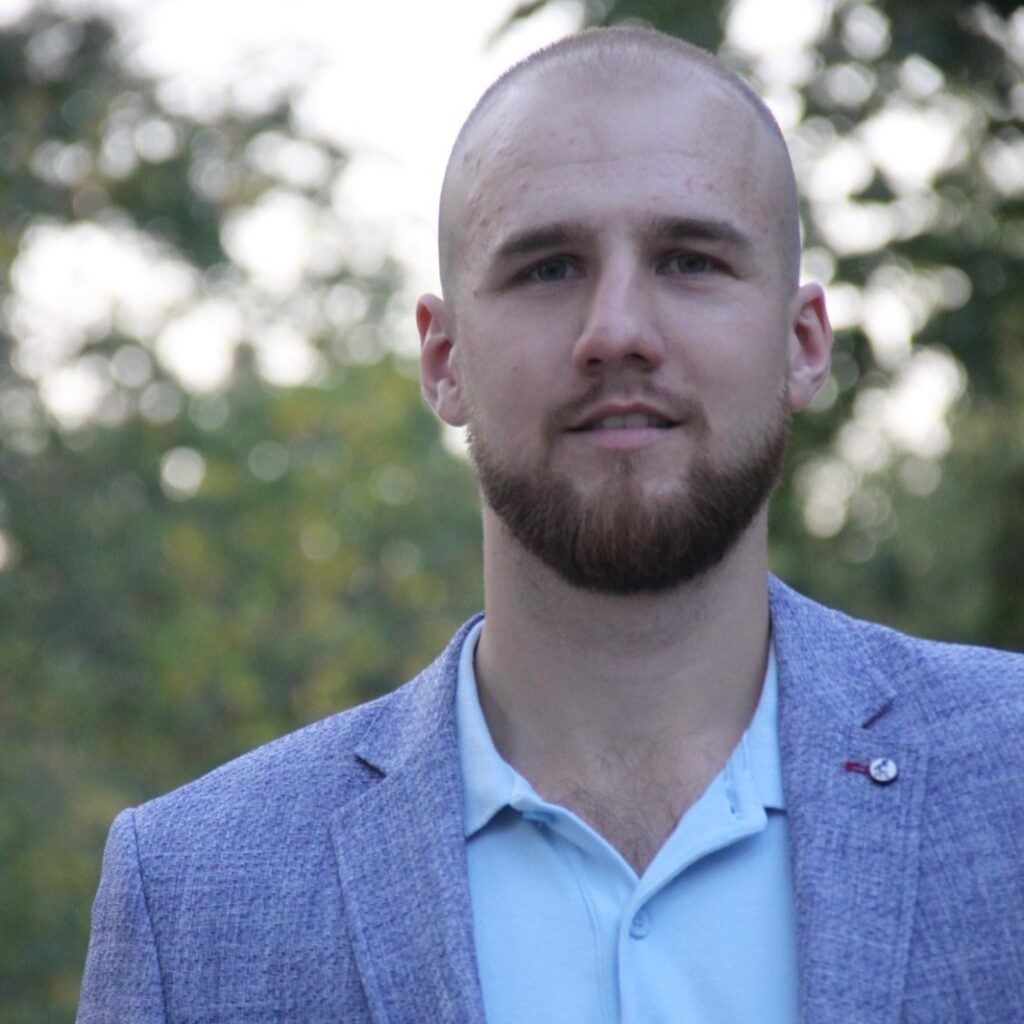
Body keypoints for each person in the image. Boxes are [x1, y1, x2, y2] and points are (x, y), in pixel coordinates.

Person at [77, 26, 1024, 1024]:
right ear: (443, 360)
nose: (616, 330)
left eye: (690, 260)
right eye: (547, 269)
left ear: (802, 345)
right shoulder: (191, 898)